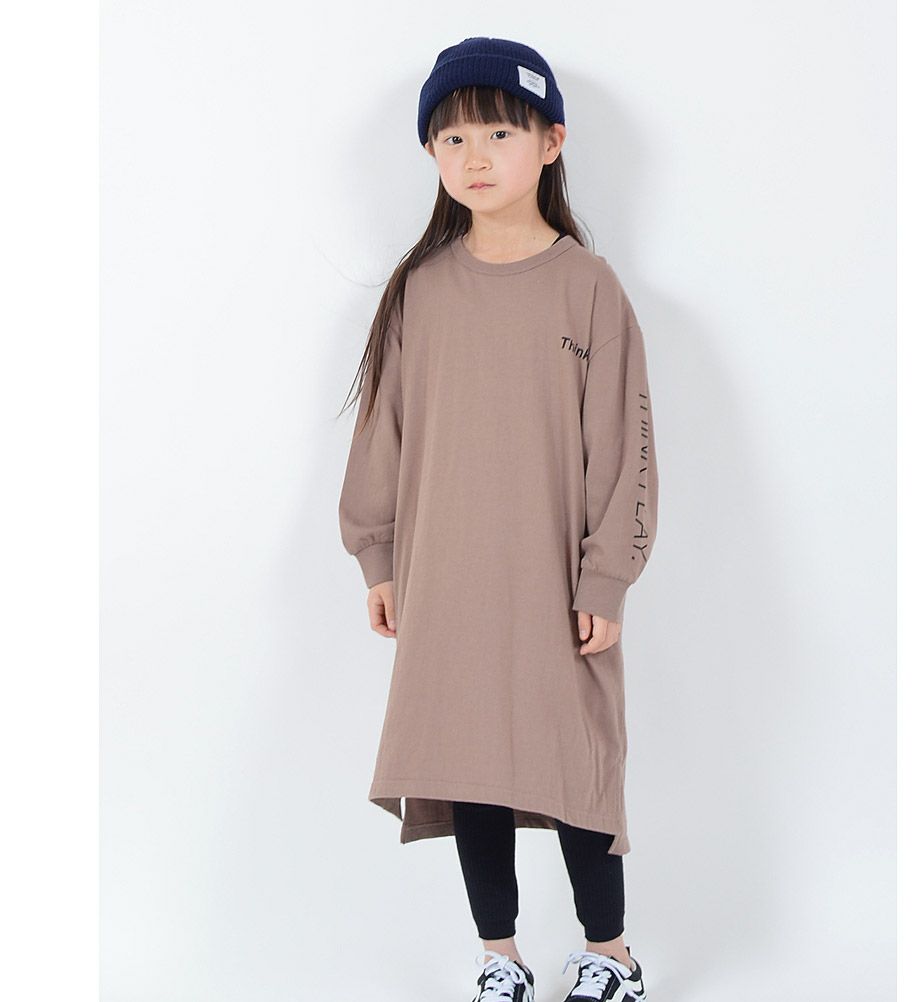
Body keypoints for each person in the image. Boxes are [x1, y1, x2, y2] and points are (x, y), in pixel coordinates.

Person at [338, 35, 658, 1002]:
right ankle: (499, 958)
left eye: (499, 133)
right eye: (452, 138)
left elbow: (625, 447)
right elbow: (383, 434)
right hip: (446, 579)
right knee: (468, 761)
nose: (474, 156)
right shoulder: (422, 292)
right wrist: (379, 555)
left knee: (575, 767)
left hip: (556, 585)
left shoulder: (587, 287)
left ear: (551, 142)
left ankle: (612, 954)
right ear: (431, 154)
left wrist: (606, 575)